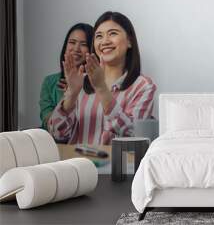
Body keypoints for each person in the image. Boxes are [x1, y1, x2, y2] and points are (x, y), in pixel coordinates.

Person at [48, 11, 156, 145]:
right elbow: (57, 134)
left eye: (113, 33)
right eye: (99, 36)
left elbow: (135, 134)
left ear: (129, 41)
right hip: (77, 163)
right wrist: (72, 95)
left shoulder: (143, 86)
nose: (104, 41)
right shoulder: (81, 80)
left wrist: (101, 89)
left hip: (116, 165)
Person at [39, 23, 94, 130]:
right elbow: (47, 122)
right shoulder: (50, 82)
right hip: (57, 143)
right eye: (72, 42)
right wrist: (69, 97)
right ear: (65, 46)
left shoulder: (98, 81)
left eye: (84, 44)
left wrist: (78, 92)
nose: (76, 49)